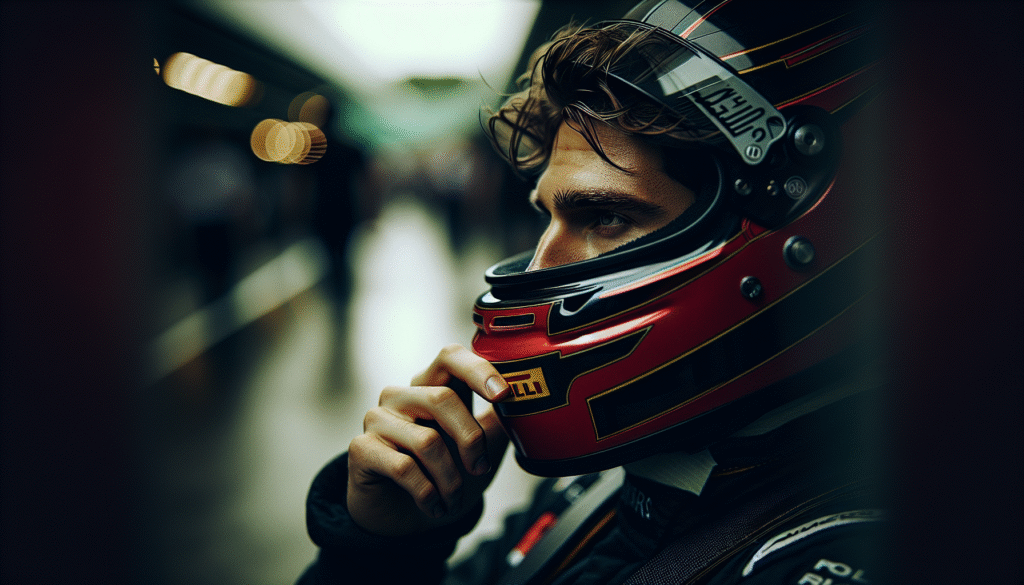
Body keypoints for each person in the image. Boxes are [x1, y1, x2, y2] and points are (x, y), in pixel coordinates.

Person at [298, 1, 887, 583]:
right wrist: (383, 550)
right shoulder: (609, 485)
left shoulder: (836, 555)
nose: (539, 264)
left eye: (604, 217)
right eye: (546, 217)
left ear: (795, 227)